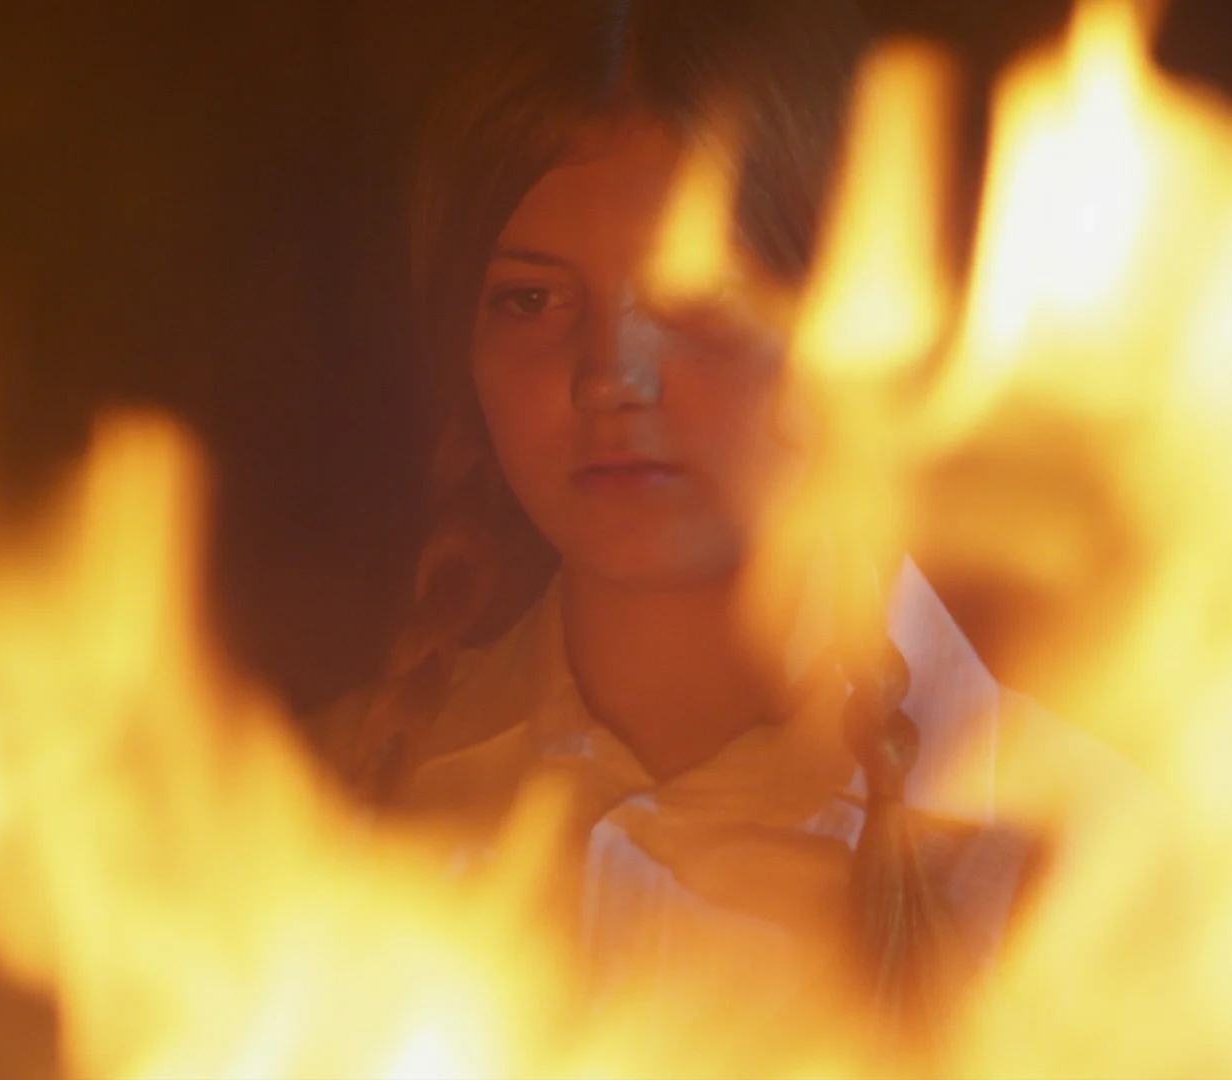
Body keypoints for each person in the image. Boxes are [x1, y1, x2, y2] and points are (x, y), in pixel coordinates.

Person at [320, 0, 1056, 1037]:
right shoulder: (321, 815)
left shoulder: (1077, 856)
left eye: (696, 291)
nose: (610, 377)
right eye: (530, 300)